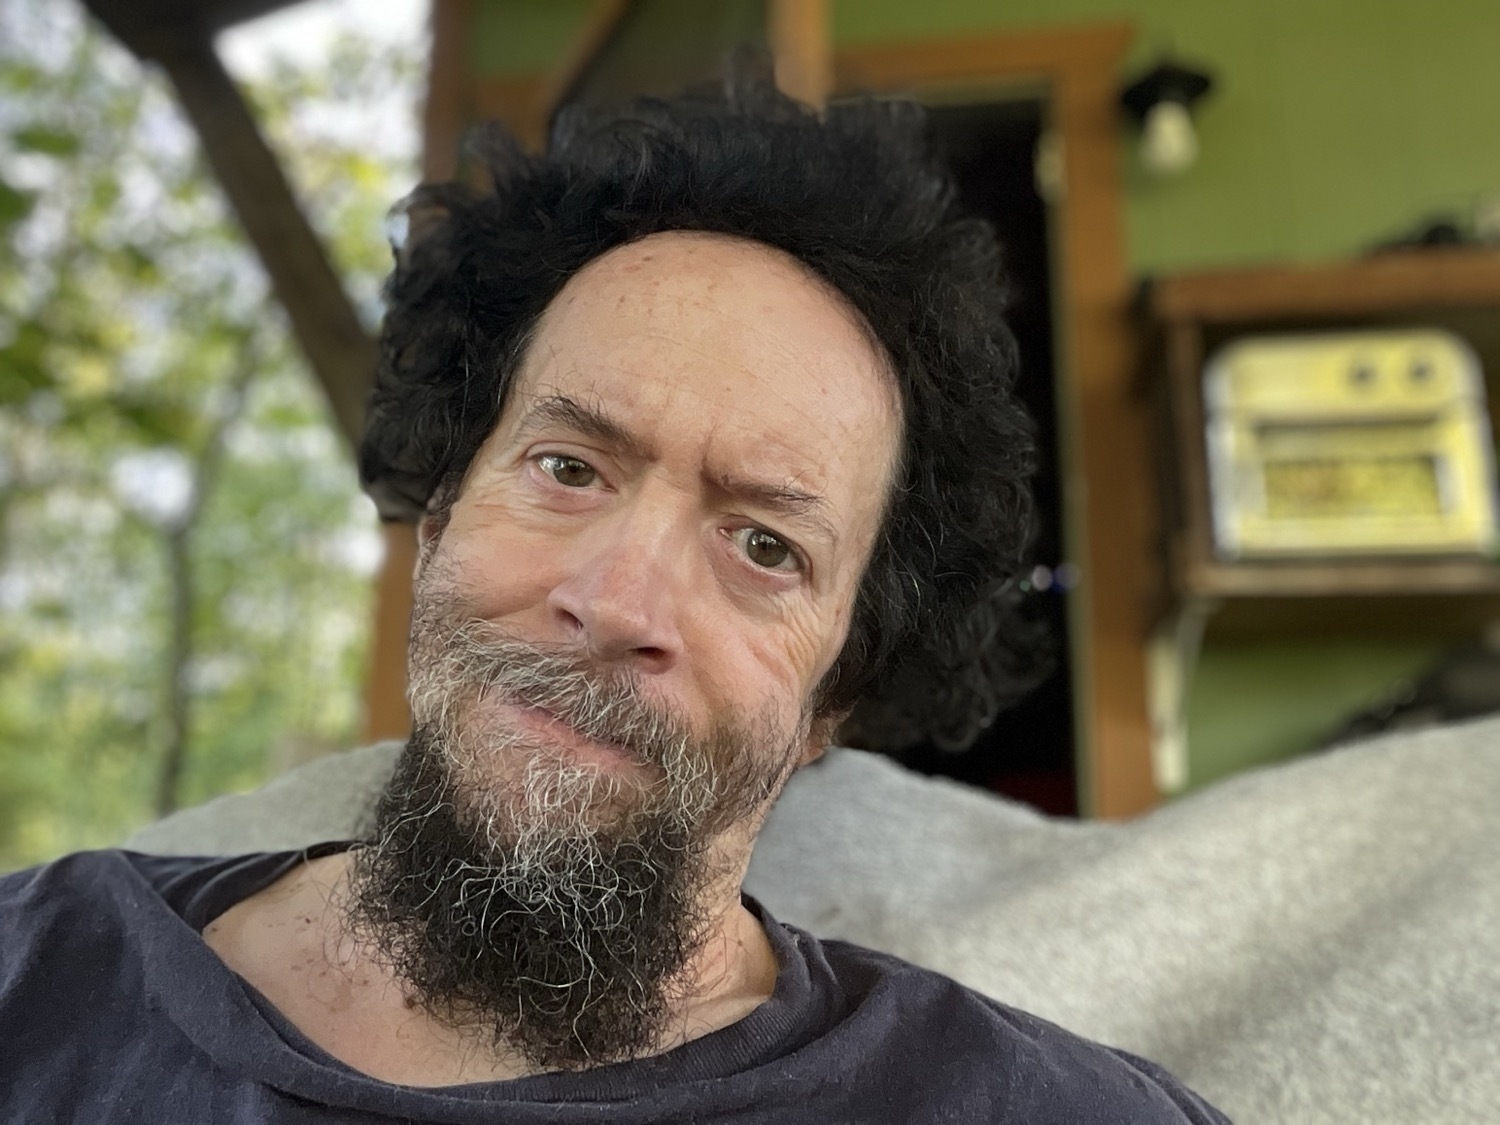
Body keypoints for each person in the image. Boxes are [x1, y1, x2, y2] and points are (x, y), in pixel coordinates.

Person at [0, 75, 1228, 1123]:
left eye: (762, 544)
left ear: (835, 693)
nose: (617, 599)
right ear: (438, 525)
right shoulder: (31, 983)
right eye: (568, 469)